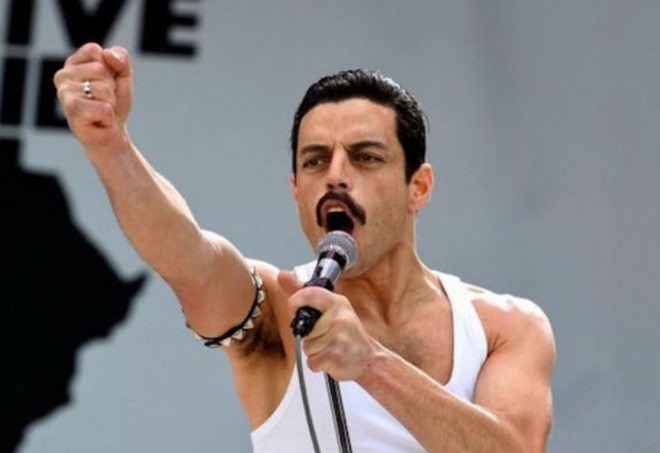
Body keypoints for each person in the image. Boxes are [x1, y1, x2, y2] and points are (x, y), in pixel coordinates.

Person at [54, 43, 555, 453]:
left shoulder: (503, 327)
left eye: (365, 157)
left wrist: (372, 365)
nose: (336, 175)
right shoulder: (277, 309)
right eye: (315, 161)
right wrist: (111, 147)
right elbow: (188, 256)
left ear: (418, 187)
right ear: (296, 190)